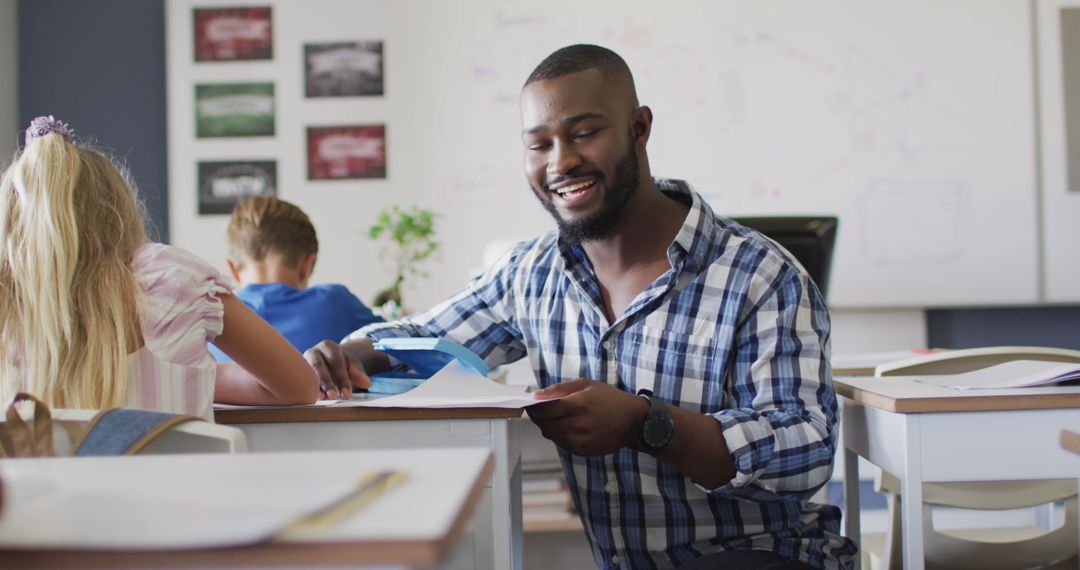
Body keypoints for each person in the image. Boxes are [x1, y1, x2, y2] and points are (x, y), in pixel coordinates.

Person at [305, 45, 857, 569]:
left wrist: (647, 424)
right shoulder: (530, 273)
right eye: (538, 144)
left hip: (773, 557)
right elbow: (424, 335)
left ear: (639, 128)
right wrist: (356, 352)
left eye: (585, 133)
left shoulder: (761, 275)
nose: (561, 161)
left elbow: (805, 452)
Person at [0, 116, 327, 421]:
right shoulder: (173, 278)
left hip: (45, 486)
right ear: (118, 212)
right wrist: (186, 376)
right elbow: (299, 387)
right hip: (174, 484)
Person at [209, 195, 383, 363]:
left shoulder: (211, 315)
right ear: (307, 265)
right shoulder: (335, 301)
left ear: (232, 269)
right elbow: (399, 343)